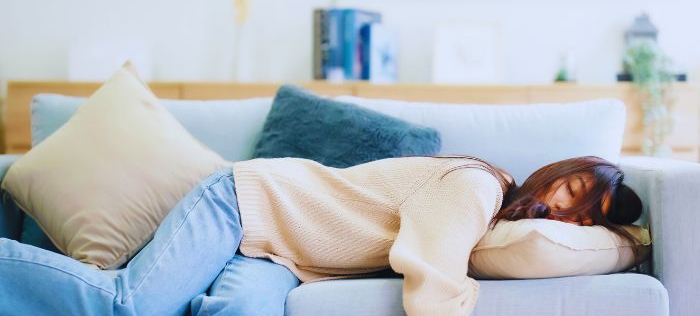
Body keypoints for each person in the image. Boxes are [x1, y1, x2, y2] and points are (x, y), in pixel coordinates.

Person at [0, 155, 642, 316]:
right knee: (133, 304)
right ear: (556, 172)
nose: (573, 214)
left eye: (591, 215)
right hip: (247, 205)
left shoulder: (499, 221)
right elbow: (433, 270)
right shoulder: (477, 186)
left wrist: (632, 241)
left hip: (285, 255)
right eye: (576, 191)